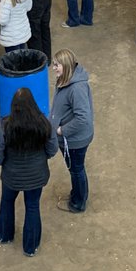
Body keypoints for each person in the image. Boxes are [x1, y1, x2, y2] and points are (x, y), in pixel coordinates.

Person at [0, 87, 59, 256]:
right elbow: (52, 149)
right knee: (32, 207)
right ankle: (30, 247)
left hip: (11, 177)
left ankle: (4, 235)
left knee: (7, 202)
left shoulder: (5, 127)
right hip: (36, 177)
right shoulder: (45, 125)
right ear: (33, 105)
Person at [51, 49, 94, 213]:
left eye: (57, 65)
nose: (54, 68)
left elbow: (83, 118)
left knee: (76, 170)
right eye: (54, 64)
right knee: (76, 168)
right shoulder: (65, 79)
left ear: (67, 66)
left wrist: (62, 130)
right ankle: (78, 194)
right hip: (72, 139)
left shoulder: (76, 89)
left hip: (75, 140)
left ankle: (78, 203)